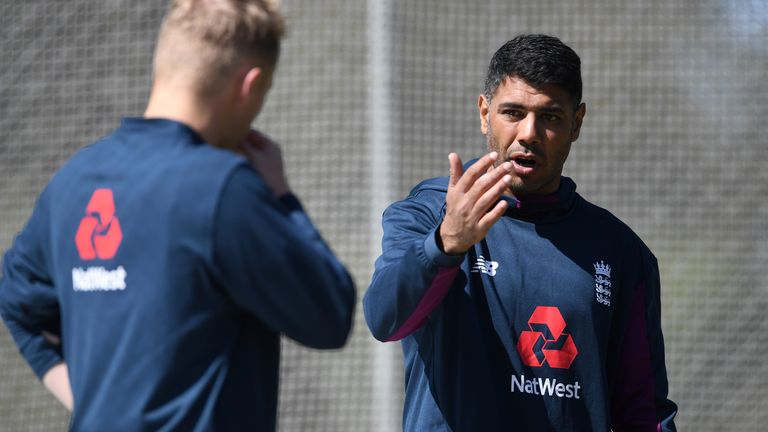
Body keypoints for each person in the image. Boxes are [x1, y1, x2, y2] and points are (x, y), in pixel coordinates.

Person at [0, 0, 356, 430]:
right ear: (251, 85)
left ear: (164, 65)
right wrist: (281, 196)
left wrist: (95, 409)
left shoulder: (73, 181)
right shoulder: (223, 187)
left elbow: (17, 304)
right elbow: (328, 317)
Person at [364, 34, 677, 431]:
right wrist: (444, 245)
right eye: (513, 112)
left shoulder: (622, 254)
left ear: (576, 123)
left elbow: (643, 411)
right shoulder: (428, 214)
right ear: (484, 113)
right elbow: (386, 320)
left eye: (550, 117)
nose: (529, 133)